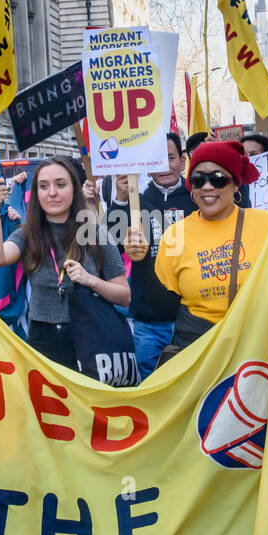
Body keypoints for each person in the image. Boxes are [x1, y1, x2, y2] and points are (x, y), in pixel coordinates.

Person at [154, 140, 268, 535]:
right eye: (198, 179)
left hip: (256, 350)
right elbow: (160, 299)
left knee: (253, 458)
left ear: (236, 182)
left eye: (218, 178)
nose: (207, 187)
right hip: (197, 348)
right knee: (198, 456)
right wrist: (137, 259)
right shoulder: (176, 235)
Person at [0, 156, 129, 370]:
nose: (52, 193)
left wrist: (91, 281)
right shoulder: (27, 233)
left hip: (89, 335)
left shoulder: (96, 233)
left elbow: (124, 296)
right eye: (43, 186)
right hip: (43, 338)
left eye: (60, 185)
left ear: (74, 189)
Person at [106, 132, 196, 378]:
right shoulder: (138, 202)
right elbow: (109, 245)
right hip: (148, 323)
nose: (165, 165)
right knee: (150, 387)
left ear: (182, 161)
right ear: (147, 164)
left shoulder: (198, 199)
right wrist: (121, 199)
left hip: (191, 320)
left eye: (170, 157)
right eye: (157, 159)